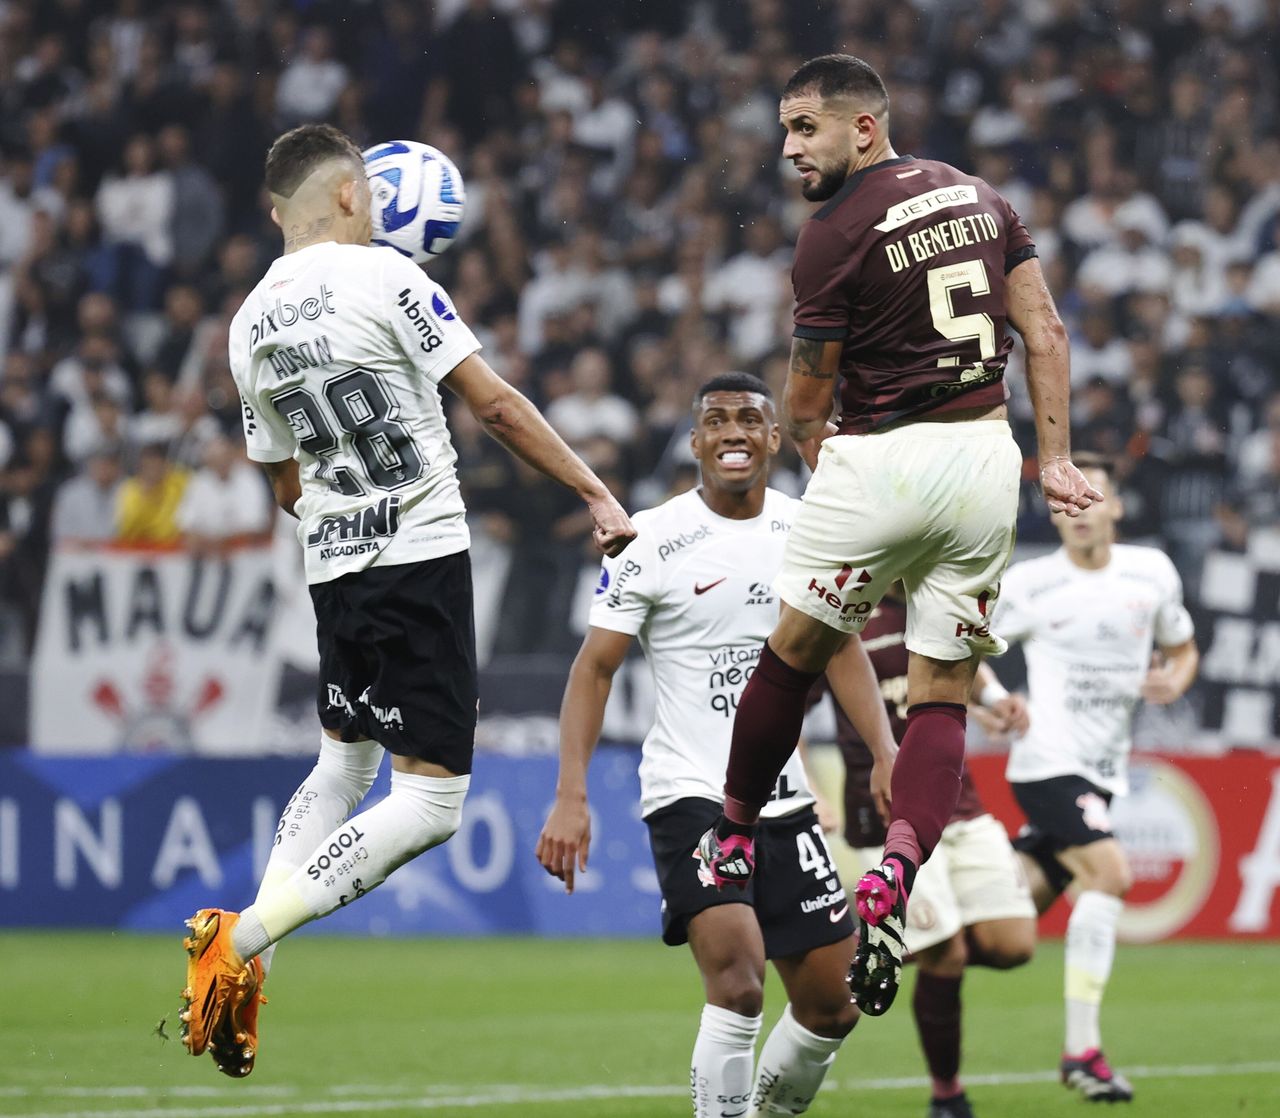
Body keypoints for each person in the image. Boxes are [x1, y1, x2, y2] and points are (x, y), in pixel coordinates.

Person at [179, 123, 635, 1078]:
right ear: (349, 195)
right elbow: (496, 405)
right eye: (374, 199)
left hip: (333, 570)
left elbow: (284, 486)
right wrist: (593, 489)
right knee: (431, 804)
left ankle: (241, 971)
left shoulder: (247, 322)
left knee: (341, 767)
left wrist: (346, 511)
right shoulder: (387, 278)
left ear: (277, 212)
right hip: (417, 562)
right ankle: (244, 941)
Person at [692, 53, 1102, 1021]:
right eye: (784, 130)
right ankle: (904, 864)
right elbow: (1041, 330)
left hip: (878, 456)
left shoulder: (828, 233)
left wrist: (814, 453)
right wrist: (1053, 459)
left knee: (791, 655)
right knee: (942, 695)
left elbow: (804, 394)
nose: (788, 148)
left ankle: (735, 833)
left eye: (804, 128)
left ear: (862, 128)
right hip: (979, 460)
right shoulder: (984, 198)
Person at [537, 373, 897, 1118]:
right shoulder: (650, 538)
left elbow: (843, 652)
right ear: (696, 441)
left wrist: (886, 752)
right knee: (737, 980)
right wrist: (570, 795)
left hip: (786, 800)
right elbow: (593, 669)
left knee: (835, 1005)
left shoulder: (811, 531)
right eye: (717, 421)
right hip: (690, 792)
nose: (733, 432)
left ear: (773, 438)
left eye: (750, 420)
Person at [989, 451, 1199, 1102]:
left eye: (1090, 498)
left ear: (1116, 507)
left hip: (1103, 770)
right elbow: (966, 649)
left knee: (1009, 921)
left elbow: (1184, 648)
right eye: (1064, 503)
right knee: (1111, 872)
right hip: (1047, 762)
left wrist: (1174, 677)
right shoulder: (1030, 585)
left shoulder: (1151, 574)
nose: (1077, 513)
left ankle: (883, 947)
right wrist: (992, 701)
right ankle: (1083, 1052)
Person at [815, 587, 1036, 1118]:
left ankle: (886, 947)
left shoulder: (937, 596)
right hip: (888, 813)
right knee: (948, 955)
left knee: (1013, 944)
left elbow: (966, 662)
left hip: (959, 797)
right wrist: (809, 784)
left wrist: (993, 698)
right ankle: (947, 1095)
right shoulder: (840, 610)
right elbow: (788, 697)